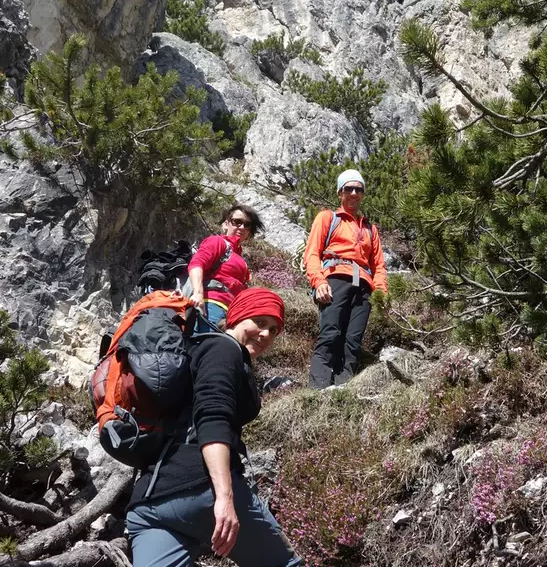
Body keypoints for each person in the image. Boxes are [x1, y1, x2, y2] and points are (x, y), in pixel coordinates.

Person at [126, 287, 301, 567]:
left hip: (149, 505)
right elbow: (212, 417)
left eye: (274, 329)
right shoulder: (224, 348)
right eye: (259, 322)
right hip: (199, 490)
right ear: (237, 317)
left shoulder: (202, 349)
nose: (266, 334)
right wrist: (224, 496)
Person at [303, 169, 388, 389]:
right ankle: (317, 390)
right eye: (348, 188)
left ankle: (343, 389)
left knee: (353, 341)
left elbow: (379, 265)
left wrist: (381, 295)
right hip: (335, 279)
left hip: (364, 287)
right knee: (331, 334)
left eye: (358, 189)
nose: (353, 193)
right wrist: (319, 281)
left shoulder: (370, 228)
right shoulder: (327, 218)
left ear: (363, 194)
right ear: (340, 192)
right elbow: (312, 253)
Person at [187, 204, 264, 327]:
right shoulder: (217, 242)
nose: (242, 227)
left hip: (230, 315)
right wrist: (198, 293)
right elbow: (197, 264)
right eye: (237, 222)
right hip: (211, 305)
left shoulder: (239, 258)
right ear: (226, 224)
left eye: (247, 225)